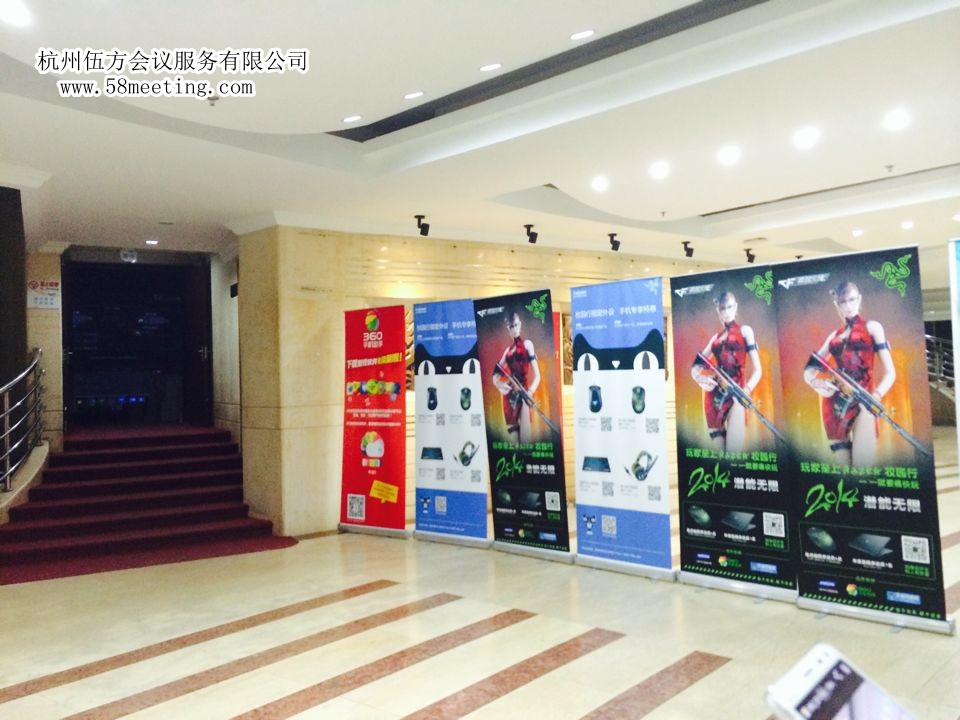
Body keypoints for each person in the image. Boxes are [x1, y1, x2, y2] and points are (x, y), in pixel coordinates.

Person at [804, 281, 895, 467]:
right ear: (836, 304)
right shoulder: (833, 337)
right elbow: (808, 371)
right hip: (836, 403)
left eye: (852, 300)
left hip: (865, 400)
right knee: (843, 471)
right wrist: (818, 384)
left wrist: (876, 396)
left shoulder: (873, 327)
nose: (848, 306)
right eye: (842, 302)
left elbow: (890, 372)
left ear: (859, 299)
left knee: (863, 468)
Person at [691, 291, 762, 452]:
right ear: (718, 311)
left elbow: (758, 370)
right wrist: (702, 380)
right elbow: (695, 367)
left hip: (737, 394)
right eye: (723, 308)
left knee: (733, 454)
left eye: (729, 307)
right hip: (714, 396)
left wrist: (746, 390)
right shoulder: (715, 339)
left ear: (735, 307)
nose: (727, 312)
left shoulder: (745, 331)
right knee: (719, 456)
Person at [493, 311, 541, 444]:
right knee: (514, 444)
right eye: (511, 326)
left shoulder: (528, 344)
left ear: (520, 324)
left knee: (526, 442)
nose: (514, 329)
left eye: (516, 325)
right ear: (508, 328)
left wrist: (530, 392)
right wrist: (500, 385)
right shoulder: (507, 352)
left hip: (524, 392)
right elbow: (495, 375)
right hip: (510, 398)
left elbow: (538, 376)